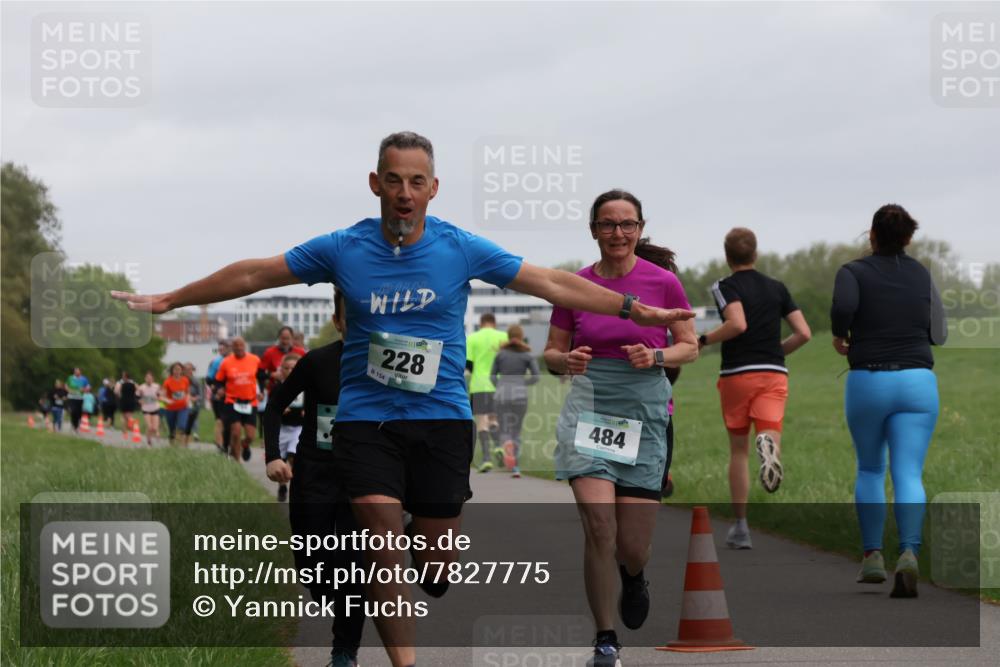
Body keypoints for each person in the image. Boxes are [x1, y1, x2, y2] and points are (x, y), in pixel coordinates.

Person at [111, 131, 693, 667]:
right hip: (366, 423)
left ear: (433, 189)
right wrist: (174, 299)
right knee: (381, 551)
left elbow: (550, 282)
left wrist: (630, 308)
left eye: (417, 182)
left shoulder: (458, 248)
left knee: (435, 566)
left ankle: (425, 535)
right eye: (394, 180)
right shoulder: (343, 248)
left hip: (441, 420)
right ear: (376, 184)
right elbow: (254, 275)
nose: (405, 193)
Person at [544, 189, 698, 667]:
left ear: (639, 228)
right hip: (589, 409)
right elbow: (550, 352)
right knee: (599, 527)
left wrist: (655, 355)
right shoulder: (575, 285)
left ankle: (634, 576)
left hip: (644, 412)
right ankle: (605, 637)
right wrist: (564, 360)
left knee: (632, 546)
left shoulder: (663, 282)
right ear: (593, 230)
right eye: (608, 224)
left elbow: (689, 345)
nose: (617, 233)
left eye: (627, 224)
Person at [831, 204, 946, 598]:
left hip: (869, 380)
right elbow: (941, 332)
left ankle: (873, 557)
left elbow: (843, 307)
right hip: (917, 381)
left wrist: (841, 334)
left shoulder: (853, 272)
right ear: (908, 238)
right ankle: (910, 553)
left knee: (869, 469)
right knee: (909, 473)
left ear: (872, 235)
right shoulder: (922, 274)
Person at [264, 288, 365, 667]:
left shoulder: (387, 365)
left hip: (361, 477)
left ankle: (344, 652)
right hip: (314, 473)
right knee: (314, 565)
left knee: (354, 566)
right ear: (338, 321)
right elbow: (274, 406)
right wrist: (274, 456)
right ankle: (327, 591)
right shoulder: (317, 362)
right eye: (349, 316)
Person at [700, 227, 811, 549]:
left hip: (738, 373)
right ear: (755, 253)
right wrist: (777, 352)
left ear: (727, 255)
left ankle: (741, 527)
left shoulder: (724, 286)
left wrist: (704, 339)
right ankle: (770, 448)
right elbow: (803, 333)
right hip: (773, 373)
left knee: (738, 450)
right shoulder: (777, 287)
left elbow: (737, 324)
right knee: (769, 429)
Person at [633, 238, 682, 498]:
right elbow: (673, 368)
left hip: (650, 413)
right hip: (651, 413)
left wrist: (654, 357)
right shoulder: (659, 311)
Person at [489, 324, 539, 478]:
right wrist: (522, 384)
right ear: (522, 336)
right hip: (520, 396)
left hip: (502, 395)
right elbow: (536, 377)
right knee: (516, 430)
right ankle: (515, 466)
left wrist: (500, 387)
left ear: (509, 336)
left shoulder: (500, 354)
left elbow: (492, 376)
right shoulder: (527, 355)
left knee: (504, 428)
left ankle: (506, 446)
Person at [466, 313, 508, 472]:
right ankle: (498, 446)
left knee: (482, 422)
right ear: (494, 323)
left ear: (481, 323)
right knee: (494, 419)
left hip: (479, 385)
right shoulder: (504, 336)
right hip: (499, 385)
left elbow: (468, 364)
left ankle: (486, 459)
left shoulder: (472, 338)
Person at [215, 337, 262, 462]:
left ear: (245, 346)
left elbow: (261, 377)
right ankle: (237, 463)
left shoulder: (255, 359)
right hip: (232, 401)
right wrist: (219, 389)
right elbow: (218, 380)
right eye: (236, 345)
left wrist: (261, 391)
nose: (239, 348)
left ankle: (245, 444)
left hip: (250, 401)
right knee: (235, 432)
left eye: (241, 345)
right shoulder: (226, 362)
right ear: (232, 347)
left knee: (251, 436)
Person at [272, 351, 304, 502]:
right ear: (281, 370)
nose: (290, 371)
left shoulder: (306, 387)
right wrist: (279, 409)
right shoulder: (278, 388)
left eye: (294, 368)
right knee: (282, 461)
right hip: (282, 429)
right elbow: (270, 409)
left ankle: (294, 487)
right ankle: (282, 486)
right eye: (287, 368)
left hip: (298, 428)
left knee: (293, 455)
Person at [206, 340, 231, 451]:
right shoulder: (217, 361)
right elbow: (209, 379)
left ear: (229, 348)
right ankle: (219, 443)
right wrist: (216, 389)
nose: (221, 351)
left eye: (223, 349)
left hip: (230, 394)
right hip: (219, 394)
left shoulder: (232, 360)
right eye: (219, 349)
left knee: (226, 421)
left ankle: (224, 442)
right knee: (220, 420)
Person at [161, 362, 191, 444]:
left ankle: (180, 443)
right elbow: (162, 396)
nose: (177, 371)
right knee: (172, 429)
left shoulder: (185, 380)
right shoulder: (167, 382)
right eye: (175, 369)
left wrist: (188, 400)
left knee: (182, 426)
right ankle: (172, 443)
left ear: (182, 370)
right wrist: (167, 400)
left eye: (179, 369)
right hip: (170, 408)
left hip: (183, 407)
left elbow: (188, 392)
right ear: (172, 371)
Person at [137, 372, 161, 445]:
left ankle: (156, 434)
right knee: (150, 427)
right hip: (146, 409)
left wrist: (158, 397)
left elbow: (160, 396)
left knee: (155, 428)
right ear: (145, 379)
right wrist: (140, 401)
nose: (149, 380)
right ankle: (149, 441)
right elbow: (137, 397)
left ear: (153, 379)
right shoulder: (141, 387)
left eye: (150, 378)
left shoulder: (156, 386)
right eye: (147, 378)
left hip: (155, 408)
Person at [182, 362, 202, 445]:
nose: (188, 371)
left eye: (190, 369)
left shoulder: (196, 381)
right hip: (182, 403)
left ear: (192, 370)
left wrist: (194, 399)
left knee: (193, 419)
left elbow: (200, 395)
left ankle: (194, 434)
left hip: (193, 404)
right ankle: (183, 437)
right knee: (183, 421)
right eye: (186, 369)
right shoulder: (181, 380)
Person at [65, 367, 89, 432]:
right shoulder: (70, 378)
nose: (77, 372)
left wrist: (84, 389)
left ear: (80, 372)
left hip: (80, 398)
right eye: (75, 371)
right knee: (73, 411)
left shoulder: (84, 379)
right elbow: (66, 385)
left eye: (78, 371)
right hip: (72, 397)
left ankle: (77, 424)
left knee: (79, 412)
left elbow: (88, 387)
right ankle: (73, 424)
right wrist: (69, 390)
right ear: (74, 372)